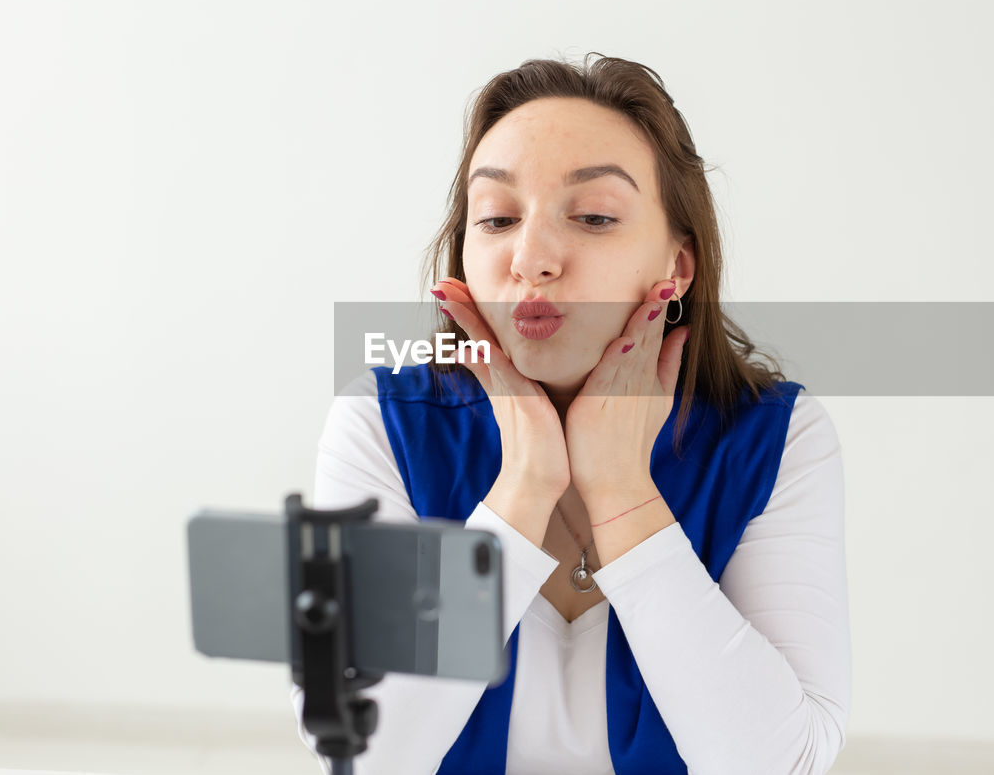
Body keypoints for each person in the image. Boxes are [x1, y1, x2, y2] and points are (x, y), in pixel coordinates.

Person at [291, 53, 851, 775]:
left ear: (676, 268)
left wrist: (622, 493)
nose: (532, 257)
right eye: (496, 217)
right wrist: (522, 491)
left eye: (592, 216)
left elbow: (782, 762)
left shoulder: (777, 441)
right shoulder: (381, 425)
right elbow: (363, 756)